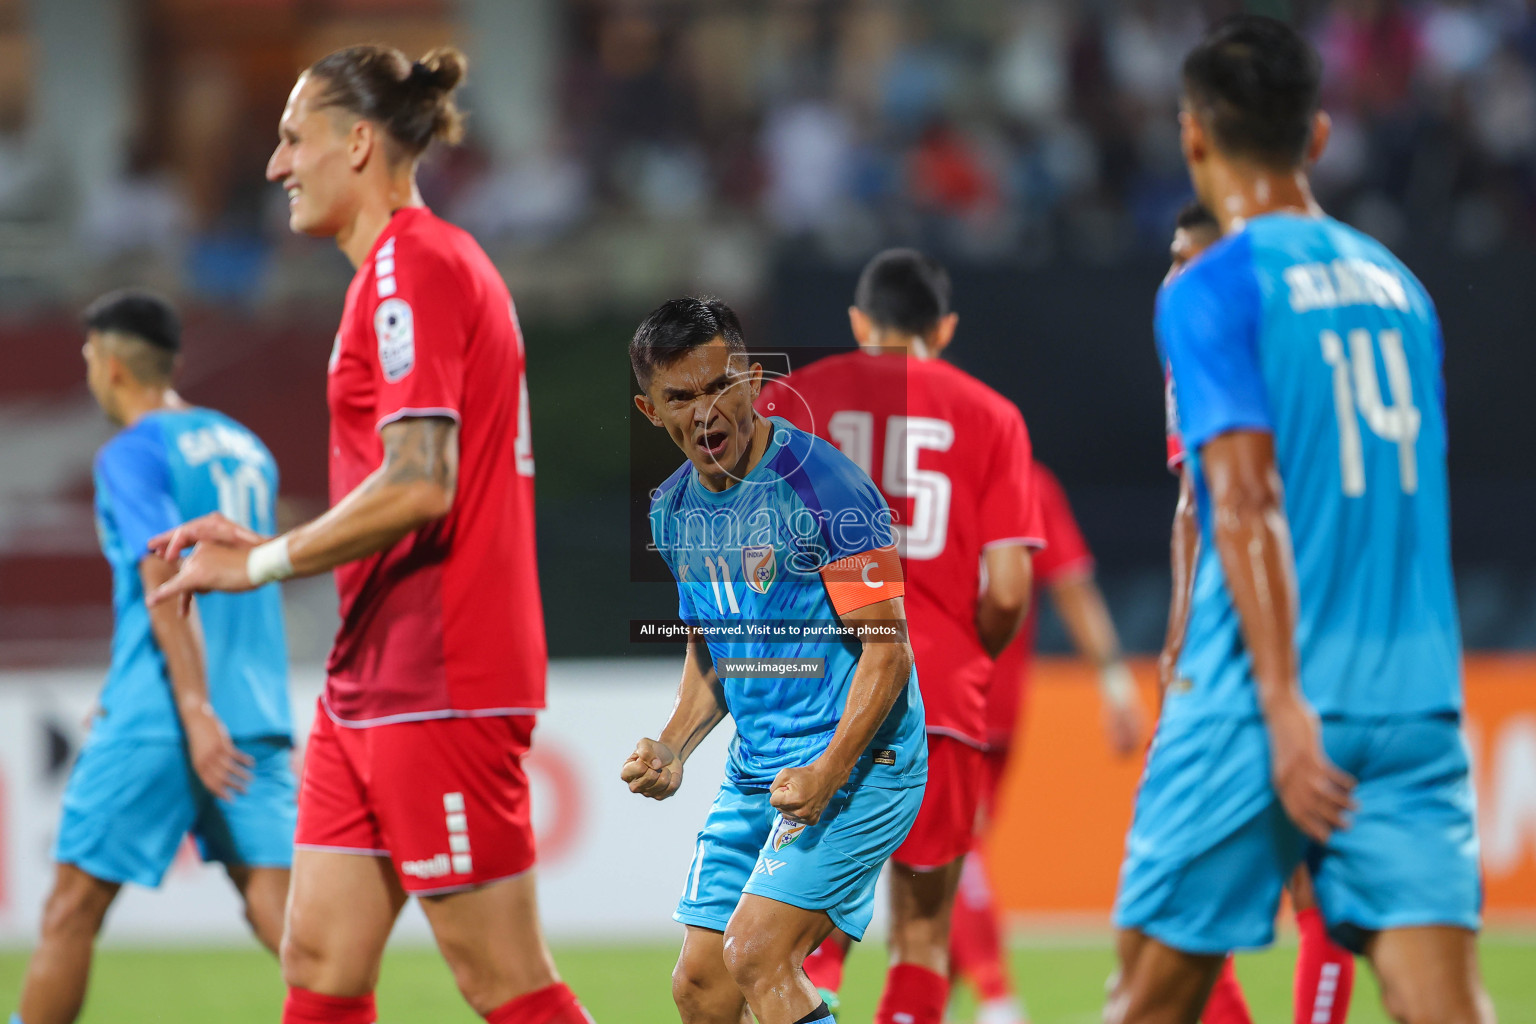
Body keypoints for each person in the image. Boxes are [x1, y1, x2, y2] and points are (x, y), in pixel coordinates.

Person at [146, 45, 591, 1024]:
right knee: (320, 952)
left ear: (356, 143)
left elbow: (422, 485)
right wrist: (272, 535)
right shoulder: (399, 274)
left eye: (291, 139)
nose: (274, 167)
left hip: (440, 670)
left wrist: (259, 563)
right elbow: (403, 487)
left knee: (501, 975)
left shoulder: (413, 266)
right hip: (376, 672)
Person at [1109, 16, 1492, 1024]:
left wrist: (1283, 704)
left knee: (1143, 998)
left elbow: (1238, 497)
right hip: (1412, 698)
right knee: (1446, 1005)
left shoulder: (1212, 285)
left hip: (1262, 701)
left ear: (1193, 138)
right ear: (1318, 136)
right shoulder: (1400, 289)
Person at [755, 249, 1043, 1024]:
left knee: (794, 934)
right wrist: (962, 649)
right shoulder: (992, 415)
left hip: (819, 693)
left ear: (857, 322)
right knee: (922, 935)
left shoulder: (792, 400)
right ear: (943, 329)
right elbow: (1010, 588)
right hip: (939, 695)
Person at [623, 296, 928, 1024]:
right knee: (700, 987)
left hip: (862, 765)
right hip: (759, 772)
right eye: (681, 398)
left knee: (757, 954)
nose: (706, 412)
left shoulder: (828, 490)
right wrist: (674, 743)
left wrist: (830, 770)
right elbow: (714, 649)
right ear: (649, 410)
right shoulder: (672, 512)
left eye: (720, 386)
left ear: (754, 381)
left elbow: (889, 653)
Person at [12, 290, 295, 1024]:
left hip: (169, 712)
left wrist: (192, 710)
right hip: (256, 710)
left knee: (71, 909)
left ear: (109, 363)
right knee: (288, 925)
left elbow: (165, 576)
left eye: (86, 359)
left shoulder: (133, 451)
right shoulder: (245, 446)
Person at [1160, 201, 1357, 1024]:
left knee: (1190, 884)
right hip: (1322, 626)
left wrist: (1181, 639)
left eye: (1185, 257)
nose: (1172, 274)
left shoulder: (1217, 345)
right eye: (1170, 259)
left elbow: (1207, 508)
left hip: (1256, 636)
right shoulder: (1299, 338)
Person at [948, 459, 1146, 1024]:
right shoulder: (1023, 477)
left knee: (950, 855)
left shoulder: (895, 472)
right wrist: (1114, 683)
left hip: (937, 695)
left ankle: (995, 1001)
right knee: (955, 853)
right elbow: (1072, 586)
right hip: (1002, 703)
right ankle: (959, 1000)